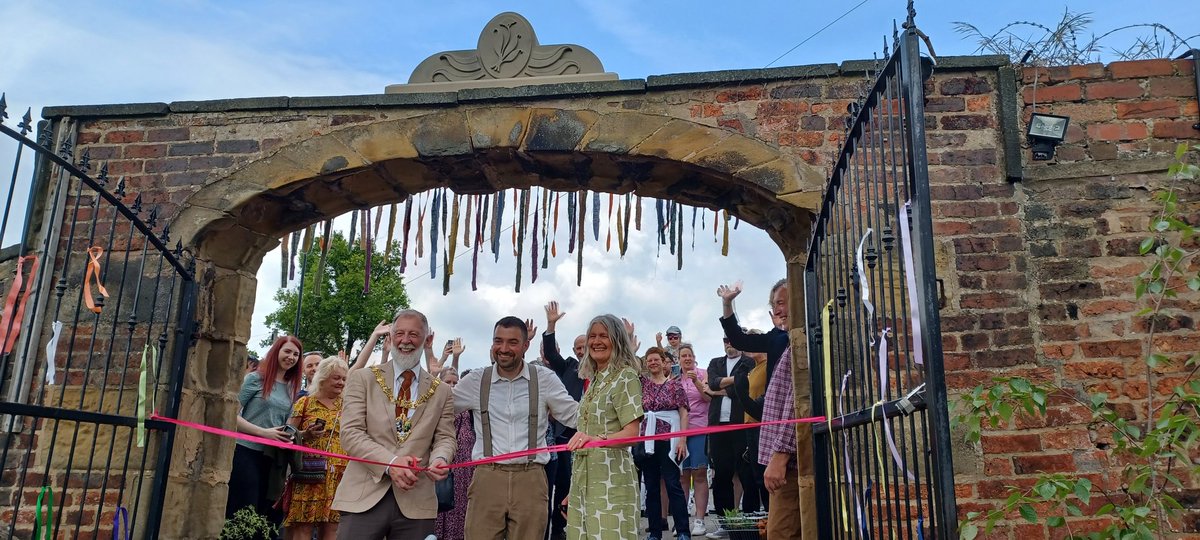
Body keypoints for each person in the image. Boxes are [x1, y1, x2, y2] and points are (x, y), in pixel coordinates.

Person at [332, 308, 456, 540]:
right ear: (390, 337)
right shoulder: (363, 379)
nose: (405, 341)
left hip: (417, 499)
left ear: (427, 339)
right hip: (363, 494)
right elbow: (350, 434)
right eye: (399, 334)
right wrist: (390, 463)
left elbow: (445, 437)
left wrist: (441, 458)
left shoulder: (443, 391)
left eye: (413, 334)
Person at [453, 317, 579, 540]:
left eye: (512, 342)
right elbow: (438, 410)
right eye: (498, 341)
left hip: (530, 479)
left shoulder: (544, 379)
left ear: (525, 345)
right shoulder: (475, 380)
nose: (503, 349)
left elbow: (574, 416)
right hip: (487, 477)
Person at [564, 314, 644, 540]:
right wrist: (574, 488)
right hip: (584, 482)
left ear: (617, 339)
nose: (596, 341)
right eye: (592, 336)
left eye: (603, 336)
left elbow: (631, 435)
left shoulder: (625, 376)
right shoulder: (595, 380)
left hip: (612, 483)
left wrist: (594, 440)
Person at [226, 336, 303, 525]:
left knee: (265, 512)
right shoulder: (255, 379)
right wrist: (263, 432)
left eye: (296, 354)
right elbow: (229, 416)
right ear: (276, 351)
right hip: (245, 452)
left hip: (273, 459)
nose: (291, 357)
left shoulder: (293, 387)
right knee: (243, 509)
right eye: (287, 351)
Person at [284, 356, 349, 540]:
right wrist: (306, 435)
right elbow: (288, 434)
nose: (341, 382)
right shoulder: (305, 402)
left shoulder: (348, 406)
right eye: (336, 378)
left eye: (344, 379)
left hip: (339, 475)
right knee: (303, 526)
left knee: (332, 527)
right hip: (310, 473)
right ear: (324, 377)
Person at [636, 347, 691, 540]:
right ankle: (655, 532)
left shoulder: (675, 386)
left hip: (670, 439)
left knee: (673, 484)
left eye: (656, 359)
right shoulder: (641, 384)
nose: (652, 363)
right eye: (649, 360)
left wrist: (682, 439)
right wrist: (632, 346)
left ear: (663, 361)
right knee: (651, 487)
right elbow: (629, 366)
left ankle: (683, 530)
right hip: (648, 440)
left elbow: (684, 412)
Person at [541, 300, 585, 540]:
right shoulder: (568, 367)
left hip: (594, 438)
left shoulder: (604, 372)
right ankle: (556, 530)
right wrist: (551, 325)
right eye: (577, 348)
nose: (580, 351)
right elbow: (550, 353)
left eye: (584, 347)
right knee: (563, 486)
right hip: (565, 437)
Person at [705, 337, 758, 528]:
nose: (729, 343)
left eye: (732, 339)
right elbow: (711, 383)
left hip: (741, 424)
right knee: (721, 475)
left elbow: (743, 388)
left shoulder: (749, 362)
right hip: (718, 426)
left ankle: (752, 519)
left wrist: (720, 387)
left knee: (746, 473)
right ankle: (724, 522)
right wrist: (733, 383)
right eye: (726, 340)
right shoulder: (715, 362)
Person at [433, 368, 474, 540]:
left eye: (455, 383)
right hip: (445, 464)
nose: (452, 386)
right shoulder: (439, 406)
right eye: (448, 382)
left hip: (464, 469)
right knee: (442, 504)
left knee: (460, 506)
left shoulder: (465, 407)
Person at [677, 344, 711, 536]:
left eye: (690, 355)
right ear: (679, 359)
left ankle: (699, 520)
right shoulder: (675, 379)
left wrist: (696, 381)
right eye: (683, 356)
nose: (687, 358)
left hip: (699, 428)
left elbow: (708, 398)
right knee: (682, 477)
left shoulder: (703, 373)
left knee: (699, 473)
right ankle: (682, 521)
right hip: (680, 432)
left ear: (694, 357)